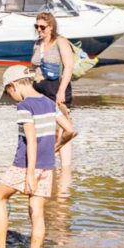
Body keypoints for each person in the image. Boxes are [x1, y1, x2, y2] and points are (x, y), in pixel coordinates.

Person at [0, 66, 76, 248]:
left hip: (24, 165)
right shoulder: (49, 103)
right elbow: (70, 130)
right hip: (47, 166)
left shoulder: (24, 106)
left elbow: (30, 141)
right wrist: (56, 147)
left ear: (13, 86)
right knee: (37, 211)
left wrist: (29, 174)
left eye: (8, 93)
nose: (11, 97)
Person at [30, 11, 76, 173]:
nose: (39, 30)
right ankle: (49, 164)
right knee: (43, 128)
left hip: (56, 88)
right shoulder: (37, 44)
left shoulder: (60, 42)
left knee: (62, 128)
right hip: (39, 89)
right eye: (36, 26)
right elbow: (34, 66)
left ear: (51, 27)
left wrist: (61, 91)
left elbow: (69, 66)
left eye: (42, 27)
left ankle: (65, 169)